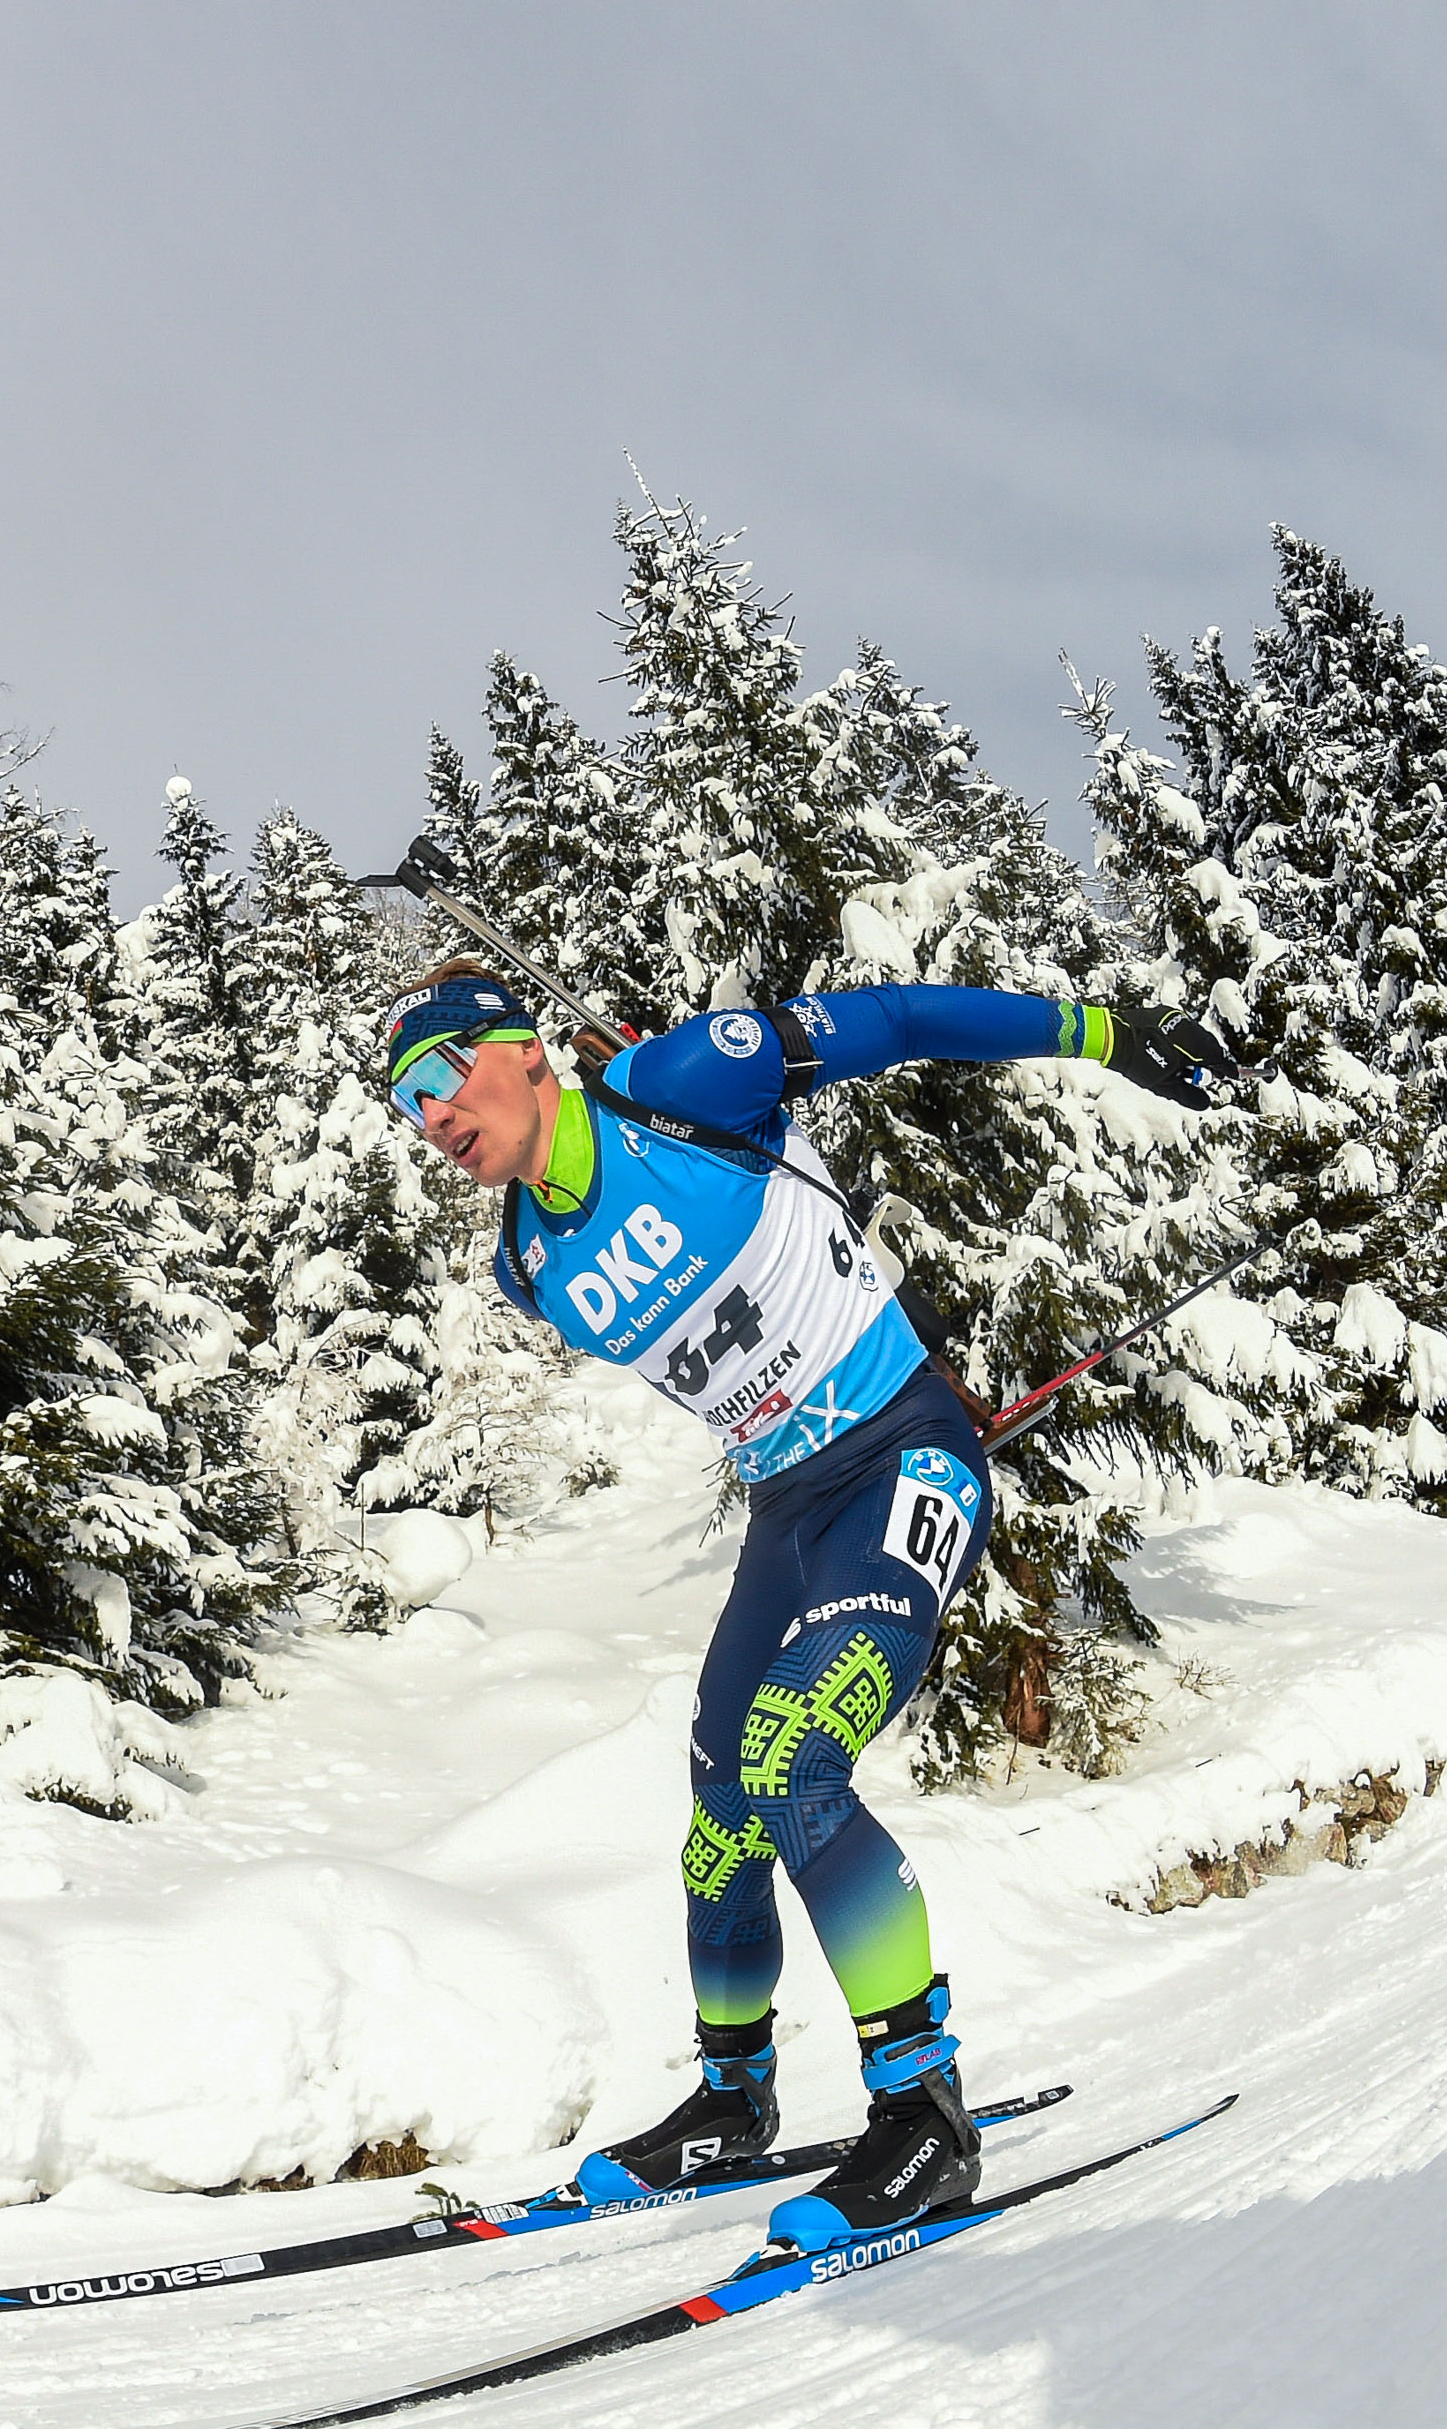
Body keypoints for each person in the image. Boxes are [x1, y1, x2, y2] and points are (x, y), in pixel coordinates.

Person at [378, 958, 1227, 2247]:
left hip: (902, 1453)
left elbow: (893, 1022)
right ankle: (733, 2100)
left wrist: (1097, 1030)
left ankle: (924, 2118)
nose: (429, 1117)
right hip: (790, 1507)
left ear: (524, 1049)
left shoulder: (680, 1085)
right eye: (404, 1105)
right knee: (721, 1794)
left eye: (439, 1079)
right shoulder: (526, 1262)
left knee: (792, 1757)